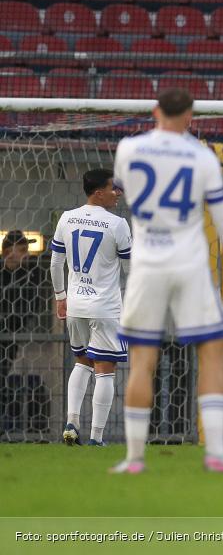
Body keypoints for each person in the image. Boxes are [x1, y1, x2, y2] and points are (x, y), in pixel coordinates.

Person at [110, 88, 223, 474]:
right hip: (190, 263)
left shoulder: (128, 149)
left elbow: (126, 190)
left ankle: (134, 458)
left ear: (155, 110)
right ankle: (216, 453)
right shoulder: (202, 156)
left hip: (146, 266)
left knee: (143, 359)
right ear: (191, 116)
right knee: (211, 349)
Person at [50, 169, 131, 447]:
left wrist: (61, 296)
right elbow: (130, 266)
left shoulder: (66, 217)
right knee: (105, 368)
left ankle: (72, 421)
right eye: (113, 189)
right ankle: (96, 436)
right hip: (105, 308)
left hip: (76, 305)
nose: (117, 193)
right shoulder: (117, 224)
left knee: (82, 361)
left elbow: (55, 263)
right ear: (98, 192)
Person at [0, 231, 43, 434]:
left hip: (12, 336)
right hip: (5, 331)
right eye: (23, 250)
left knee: (3, 376)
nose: (26, 255)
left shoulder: (29, 273)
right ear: (9, 251)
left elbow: (32, 303)